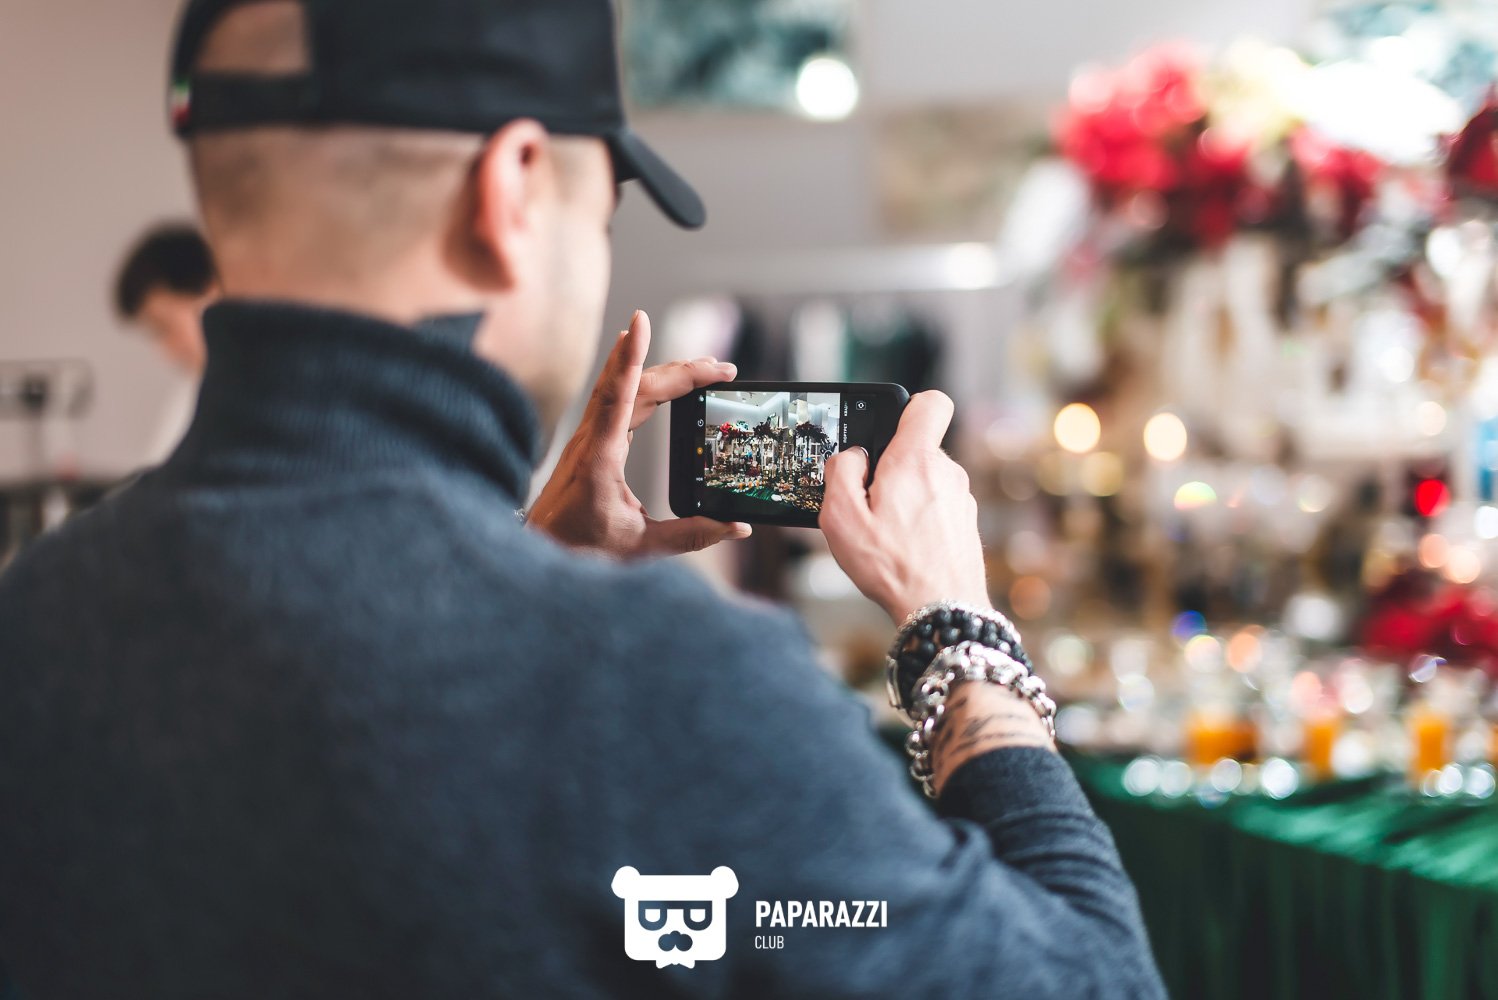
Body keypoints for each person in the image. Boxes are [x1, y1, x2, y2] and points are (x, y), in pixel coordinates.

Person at [0, 2, 1165, 999]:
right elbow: (1095, 981)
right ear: (510, 190)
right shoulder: (654, 681)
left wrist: (515, 564)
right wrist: (958, 633)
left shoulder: (38, 613)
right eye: (600, 216)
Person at [114, 223, 219, 462]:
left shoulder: (267, 390)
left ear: (210, 291)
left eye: (164, 328)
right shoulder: (190, 391)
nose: (166, 352)